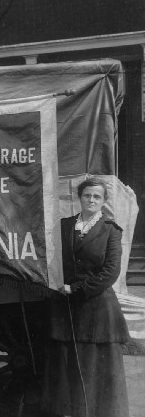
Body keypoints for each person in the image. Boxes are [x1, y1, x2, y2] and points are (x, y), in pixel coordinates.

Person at [40, 177, 130, 417]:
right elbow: (52, 258)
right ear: (79, 198)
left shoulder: (110, 230)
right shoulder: (65, 226)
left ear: (103, 201)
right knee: (66, 363)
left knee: (94, 366)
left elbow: (110, 272)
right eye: (87, 195)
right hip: (65, 306)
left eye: (97, 196)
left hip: (96, 305)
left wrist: (76, 289)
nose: (91, 200)